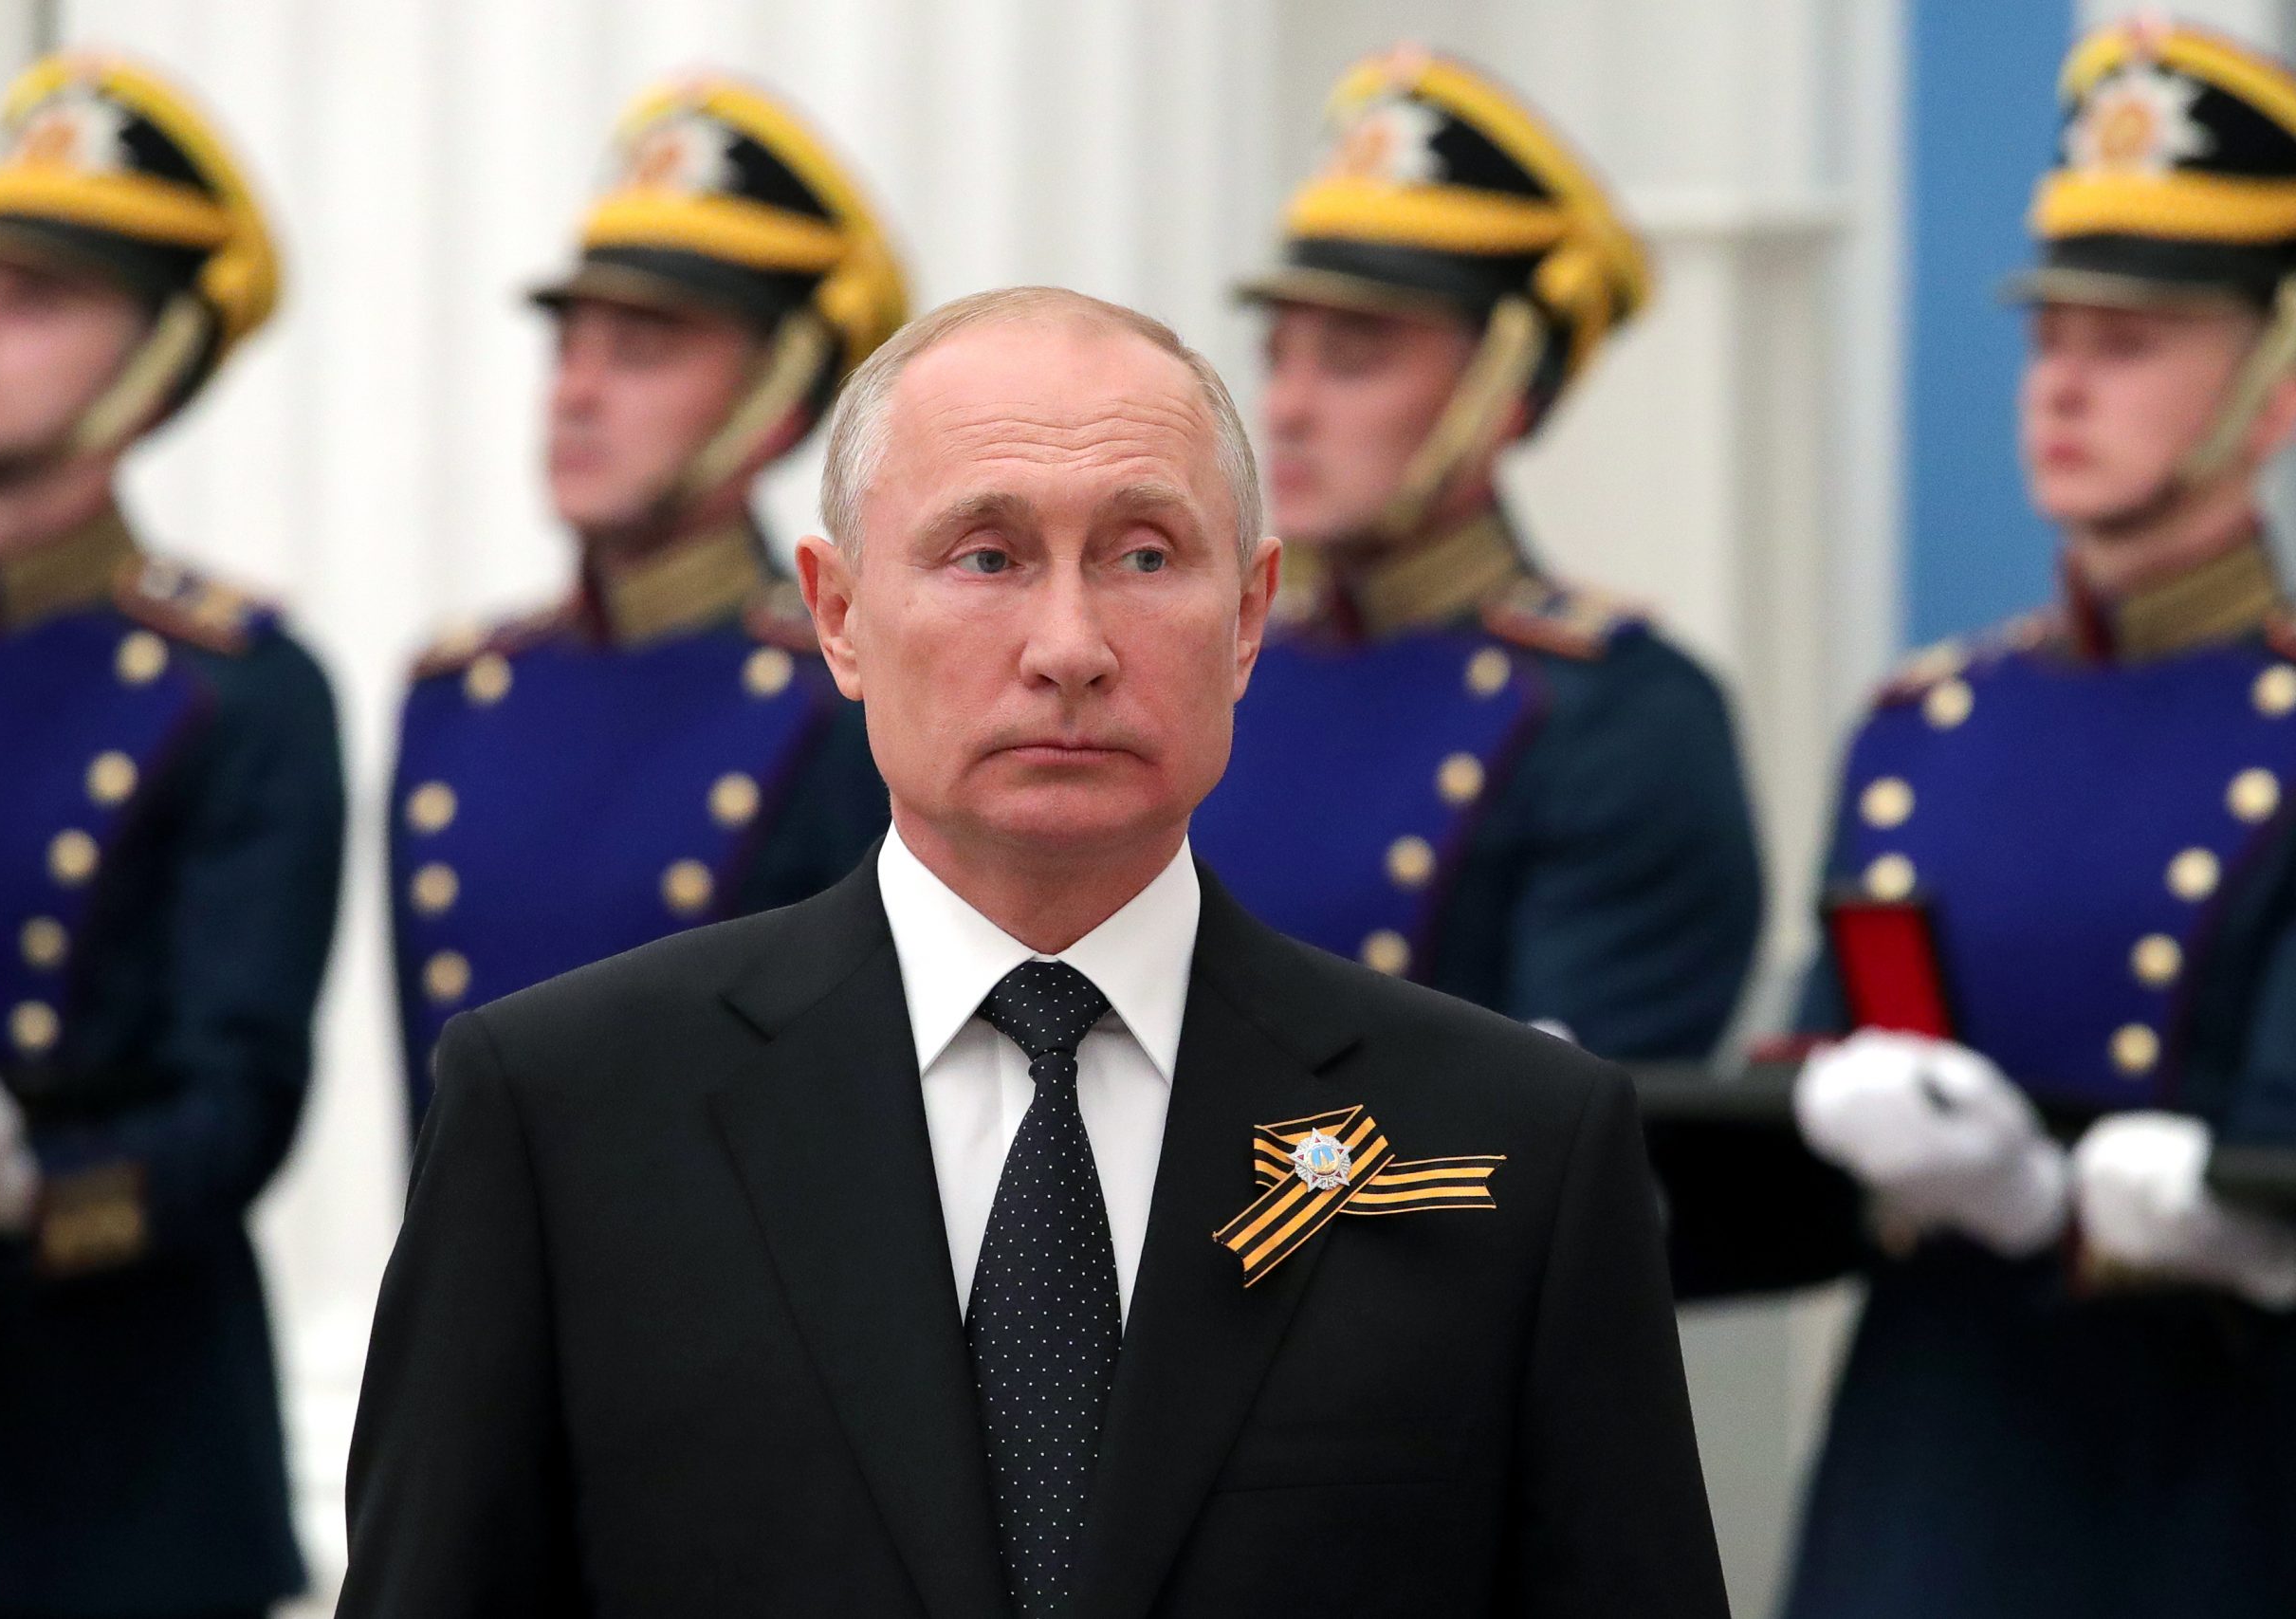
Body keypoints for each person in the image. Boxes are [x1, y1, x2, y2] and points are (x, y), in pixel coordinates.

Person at [336, 285, 1727, 1617]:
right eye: (986, 557)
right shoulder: (568, 1115)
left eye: (1144, 556)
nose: (1070, 646)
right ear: (839, 615)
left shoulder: (1514, 1141)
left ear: (1247, 617)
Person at [1779, 20, 2296, 1617]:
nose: (2064, 382)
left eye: (2129, 341)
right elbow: (1800, 1107)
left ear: (2274, 383)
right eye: (2050, 336)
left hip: (2210, 1482)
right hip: (1932, 1477)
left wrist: (2130, 1213)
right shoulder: (1925, 723)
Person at [0, 53, 342, 1617]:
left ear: (157, 356)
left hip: (103, 1454)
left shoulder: (237, 688)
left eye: (37, 299)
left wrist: (18, 1187)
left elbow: (236, 1101)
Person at [1192, 46, 1761, 1060]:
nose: (1286, 407)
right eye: (1277, 355)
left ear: (1499, 392)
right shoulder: (1209, 670)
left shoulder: (1621, 716)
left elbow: (1576, 1118)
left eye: (1352, 360)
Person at [387, 74, 907, 1121]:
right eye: (568, 349)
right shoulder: (456, 694)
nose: (576, 394)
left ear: (778, 391)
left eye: (641, 352)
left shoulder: (847, 702)